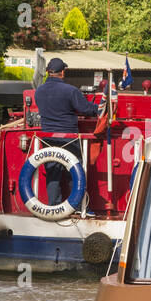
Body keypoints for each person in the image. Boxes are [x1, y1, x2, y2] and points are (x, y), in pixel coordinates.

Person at [34, 57, 98, 208]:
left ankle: (53, 206)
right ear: (62, 72)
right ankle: (78, 206)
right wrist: (100, 107)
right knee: (74, 173)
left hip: (47, 138)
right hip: (68, 139)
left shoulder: (39, 92)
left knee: (53, 173)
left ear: (49, 72)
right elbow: (86, 109)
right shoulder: (70, 91)